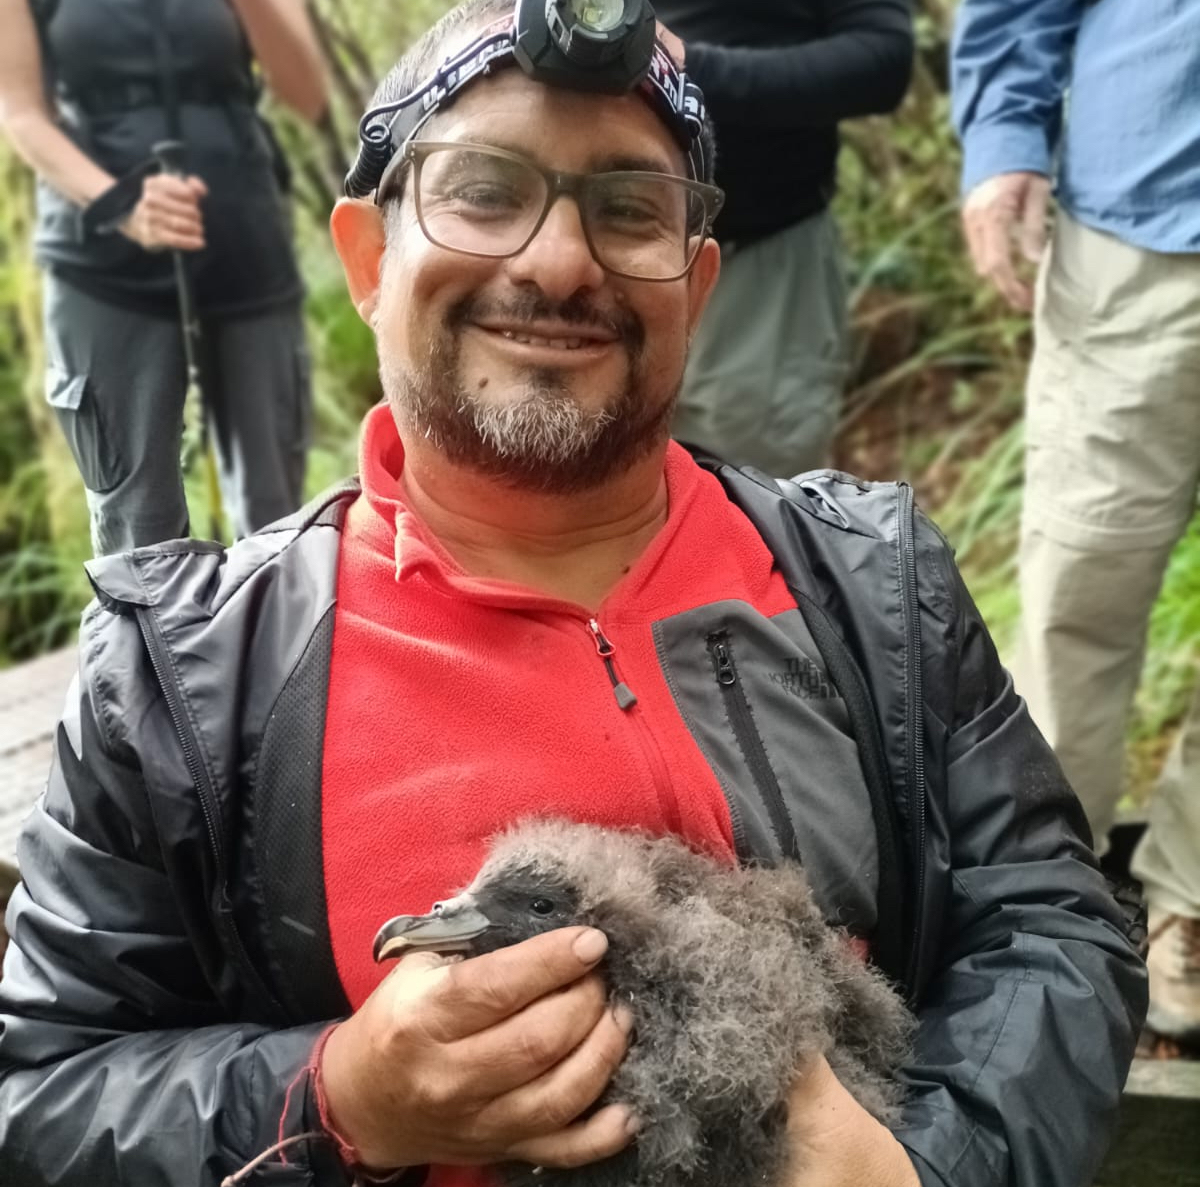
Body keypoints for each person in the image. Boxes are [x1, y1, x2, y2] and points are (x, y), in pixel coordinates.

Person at [0, 3, 1145, 1185]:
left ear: (696, 287)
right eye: (484, 190)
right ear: (364, 261)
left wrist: (928, 1167)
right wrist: (334, 1100)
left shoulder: (874, 584)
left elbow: (1053, 922)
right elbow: (41, 1093)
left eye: (629, 209)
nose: (555, 261)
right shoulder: (179, 675)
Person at [951, 0, 1200, 1047]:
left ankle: (1190, 892)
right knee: (1075, 593)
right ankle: (1037, 908)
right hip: (1136, 236)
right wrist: (1004, 135)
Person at [0, 0, 328, 555]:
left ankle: (272, 636)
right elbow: (21, 112)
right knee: (137, 522)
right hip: (101, 265)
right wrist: (121, 205)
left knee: (276, 514)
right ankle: (147, 643)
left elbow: (308, 93)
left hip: (245, 245)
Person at [654, 0, 913, 476]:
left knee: (755, 502)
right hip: (598, 249)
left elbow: (882, 58)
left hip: (764, 273)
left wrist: (691, 68)